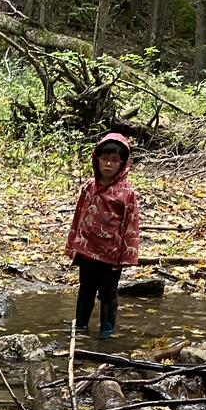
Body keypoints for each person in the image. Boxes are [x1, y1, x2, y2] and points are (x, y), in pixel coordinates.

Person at [65, 132, 141, 339]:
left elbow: (131, 225)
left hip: (111, 254)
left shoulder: (126, 193)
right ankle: (80, 326)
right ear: (96, 159)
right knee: (85, 290)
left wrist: (127, 255)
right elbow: (79, 215)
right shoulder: (89, 186)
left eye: (114, 160)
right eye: (104, 159)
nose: (108, 164)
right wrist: (72, 243)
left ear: (123, 164)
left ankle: (106, 330)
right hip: (87, 250)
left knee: (108, 293)